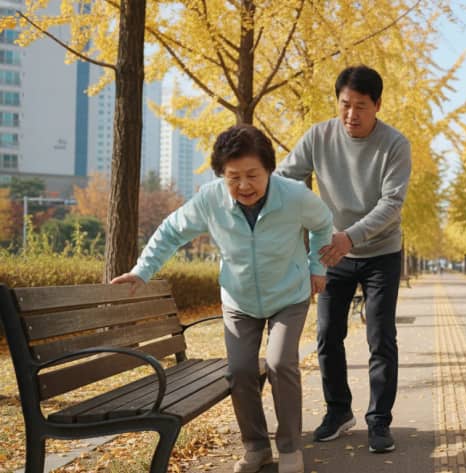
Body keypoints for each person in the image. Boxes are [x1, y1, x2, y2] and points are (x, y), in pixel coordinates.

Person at [111, 124, 332, 473]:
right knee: (241, 370)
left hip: (289, 294)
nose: (244, 186)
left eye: (252, 175)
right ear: (221, 175)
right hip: (239, 300)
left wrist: (317, 266)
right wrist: (142, 270)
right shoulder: (210, 199)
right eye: (233, 177)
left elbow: (323, 224)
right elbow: (171, 231)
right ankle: (256, 447)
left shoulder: (294, 196)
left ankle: (290, 448)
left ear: (269, 170)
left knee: (280, 363)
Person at [277, 65, 411, 454]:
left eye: (361, 107)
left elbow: (392, 204)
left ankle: (379, 421)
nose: (351, 115)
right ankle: (338, 412)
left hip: (380, 252)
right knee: (326, 335)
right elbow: (285, 178)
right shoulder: (319, 136)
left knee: (380, 337)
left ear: (378, 105)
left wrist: (349, 236)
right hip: (331, 251)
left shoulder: (395, 145)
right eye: (345, 105)